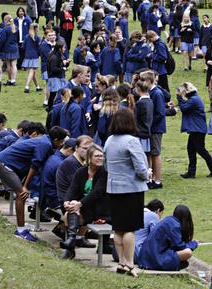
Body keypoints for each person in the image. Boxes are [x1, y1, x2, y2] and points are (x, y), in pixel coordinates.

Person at [0, 126, 68, 242]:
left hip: (6, 162)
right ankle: (20, 230)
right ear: (56, 140)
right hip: (4, 164)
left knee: (21, 193)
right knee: (21, 194)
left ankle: (22, 224)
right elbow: (34, 166)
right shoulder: (45, 144)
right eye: (61, 141)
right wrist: (25, 186)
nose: (62, 144)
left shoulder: (45, 140)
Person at [104, 108, 150, 277]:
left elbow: (106, 165)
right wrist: (147, 175)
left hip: (113, 188)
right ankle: (130, 264)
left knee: (118, 228)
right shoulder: (132, 141)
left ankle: (121, 262)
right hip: (131, 189)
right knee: (130, 228)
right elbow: (140, 166)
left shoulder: (109, 140)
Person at [61, 144, 108, 259]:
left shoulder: (104, 173)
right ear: (89, 158)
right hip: (85, 207)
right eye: (97, 156)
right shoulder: (81, 171)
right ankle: (71, 242)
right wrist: (66, 202)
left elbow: (96, 193)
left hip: (100, 208)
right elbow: (72, 189)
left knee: (71, 212)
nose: (100, 158)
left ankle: (70, 246)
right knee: (69, 213)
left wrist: (79, 204)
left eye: (102, 156)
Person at [177, 82, 212, 178]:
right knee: (191, 149)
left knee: (200, 150)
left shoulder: (194, 100)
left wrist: (179, 97)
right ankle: (192, 172)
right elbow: (185, 105)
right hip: (197, 129)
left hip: (197, 129)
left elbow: (184, 108)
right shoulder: (194, 98)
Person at [136, 204, 197, 271]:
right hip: (154, 260)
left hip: (146, 259)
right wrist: (194, 244)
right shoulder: (174, 225)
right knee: (188, 252)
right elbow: (181, 246)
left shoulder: (169, 220)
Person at [22, 23, 41, 93]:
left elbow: (23, 47)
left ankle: (37, 87)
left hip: (27, 56)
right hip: (35, 56)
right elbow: (40, 48)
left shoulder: (26, 37)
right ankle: (27, 86)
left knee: (32, 73)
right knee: (32, 72)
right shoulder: (37, 37)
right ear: (35, 29)